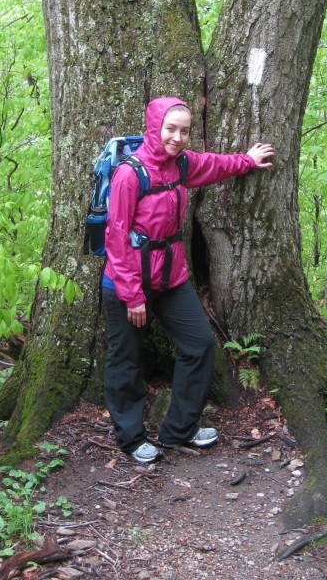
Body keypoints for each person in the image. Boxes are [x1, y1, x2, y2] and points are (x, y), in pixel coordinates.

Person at [102, 96, 274, 464]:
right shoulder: (129, 174)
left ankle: (178, 429)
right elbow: (116, 237)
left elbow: (214, 165)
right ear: (154, 127)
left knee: (199, 344)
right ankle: (131, 439)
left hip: (171, 277)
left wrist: (247, 160)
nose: (178, 137)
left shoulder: (181, 165)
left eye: (184, 131)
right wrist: (133, 296)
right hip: (127, 281)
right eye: (171, 129)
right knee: (126, 360)